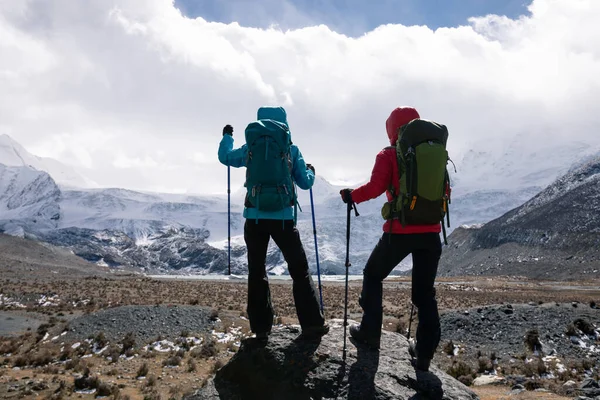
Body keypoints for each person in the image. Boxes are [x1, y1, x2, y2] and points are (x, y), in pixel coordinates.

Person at [339, 106, 442, 371]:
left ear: (391, 128)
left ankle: (370, 333)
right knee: (424, 295)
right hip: (431, 234)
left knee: (373, 274)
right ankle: (424, 354)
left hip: (401, 231)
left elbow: (375, 187)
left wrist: (352, 196)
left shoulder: (388, 154)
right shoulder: (435, 153)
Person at [218, 106, 328, 341]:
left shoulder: (250, 148)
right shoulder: (291, 149)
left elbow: (225, 158)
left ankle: (261, 328)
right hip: (283, 220)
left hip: (254, 218)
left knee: (256, 272)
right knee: (299, 270)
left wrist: (227, 137)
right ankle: (312, 324)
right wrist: (311, 172)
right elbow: (305, 183)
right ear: (285, 125)